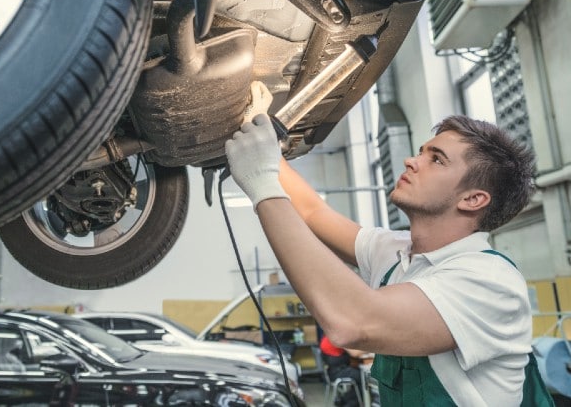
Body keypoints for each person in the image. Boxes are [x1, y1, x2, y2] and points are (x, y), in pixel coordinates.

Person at [225, 113, 552, 406]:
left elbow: (351, 322)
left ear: (473, 199)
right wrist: (261, 138)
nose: (412, 161)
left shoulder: (489, 280)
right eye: (422, 151)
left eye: (436, 159)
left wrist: (263, 184)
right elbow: (312, 211)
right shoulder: (394, 252)